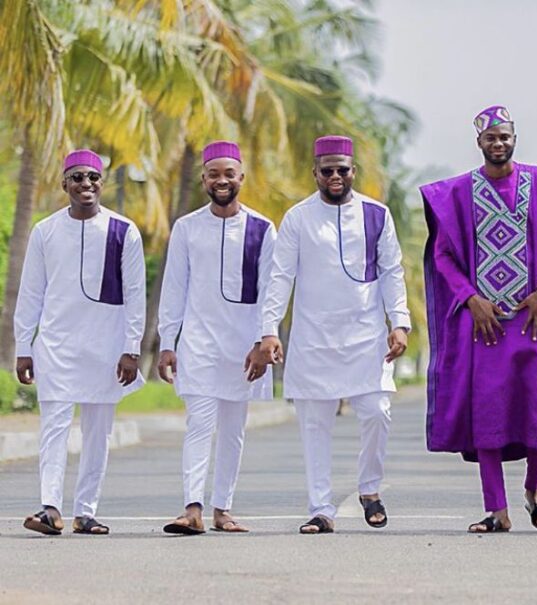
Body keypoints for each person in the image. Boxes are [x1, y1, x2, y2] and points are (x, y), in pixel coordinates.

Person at [420, 105, 537, 533]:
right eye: (490, 138)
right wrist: (470, 299)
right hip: (484, 323)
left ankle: (535, 491)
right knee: (488, 412)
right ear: (478, 143)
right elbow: (442, 254)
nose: (498, 144)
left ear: (514, 138)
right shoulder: (461, 192)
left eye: (505, 137)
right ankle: (496, 508)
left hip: (535, 318)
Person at [260, 135, 410, 534]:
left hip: (366, 337)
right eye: (327, 171)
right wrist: (268, 330)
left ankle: (370, 488)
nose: (335, 176)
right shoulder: (297, 218)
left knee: (378, 412)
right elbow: (280, 277)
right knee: (315, 427)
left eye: (342, 169)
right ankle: (320, 508)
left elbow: (393, 271)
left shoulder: (377, 214)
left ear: (353, 171)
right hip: (314, 339)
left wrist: (399, 321)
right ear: (315, 174)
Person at [15, 149, 146, 536]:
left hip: (107, 347)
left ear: (101, 183)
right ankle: (50, 508)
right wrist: (24, 345)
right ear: (64, 184)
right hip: (56, 345)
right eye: (77, 177)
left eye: (92, 177)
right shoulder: (45, 230)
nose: (85, 184)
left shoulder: (125, 231)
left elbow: (136, 294)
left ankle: (85, 511)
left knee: (97, 433)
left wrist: (132, 348)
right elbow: (31, 292)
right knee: (53, 427)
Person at [159, 141, 276, 535]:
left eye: (229, 174)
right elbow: (174, 288)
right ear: (204, 179)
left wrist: (265, 340)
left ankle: (222, 509)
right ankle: (191, 507)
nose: (222, 180)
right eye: (214, 174)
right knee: (199, 424)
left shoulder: (263, 228)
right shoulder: (187, 227)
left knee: (233, 430)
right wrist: (167, 343)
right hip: (198, 343)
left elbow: (270, 291)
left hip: (245, 348)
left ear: (241, 177)